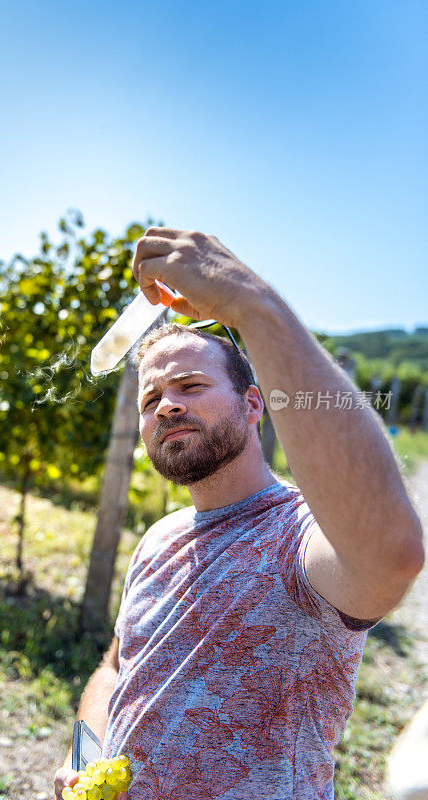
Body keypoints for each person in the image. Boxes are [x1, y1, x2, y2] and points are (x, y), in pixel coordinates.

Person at [55, 228, 424, 800]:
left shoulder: (298, 536)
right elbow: (115, 667)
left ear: (255, 404)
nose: (167, 404)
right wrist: (89, 753)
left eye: (191, 385)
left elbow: (390, 553)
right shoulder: (159, 538)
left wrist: (250, 303)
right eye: (151, 399)